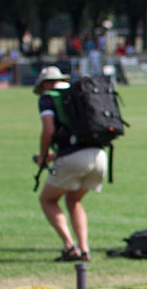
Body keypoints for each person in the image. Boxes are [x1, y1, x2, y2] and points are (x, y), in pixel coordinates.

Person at [35, 66, 108, 261]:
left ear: (45, 84)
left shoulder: (49, 97)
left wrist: (42, 156)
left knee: (48, 200)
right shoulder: (79, 94)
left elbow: (49, 130)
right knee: (74, 200)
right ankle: (84, 249)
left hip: (74, 158)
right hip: (99, 156)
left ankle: (70, 247)